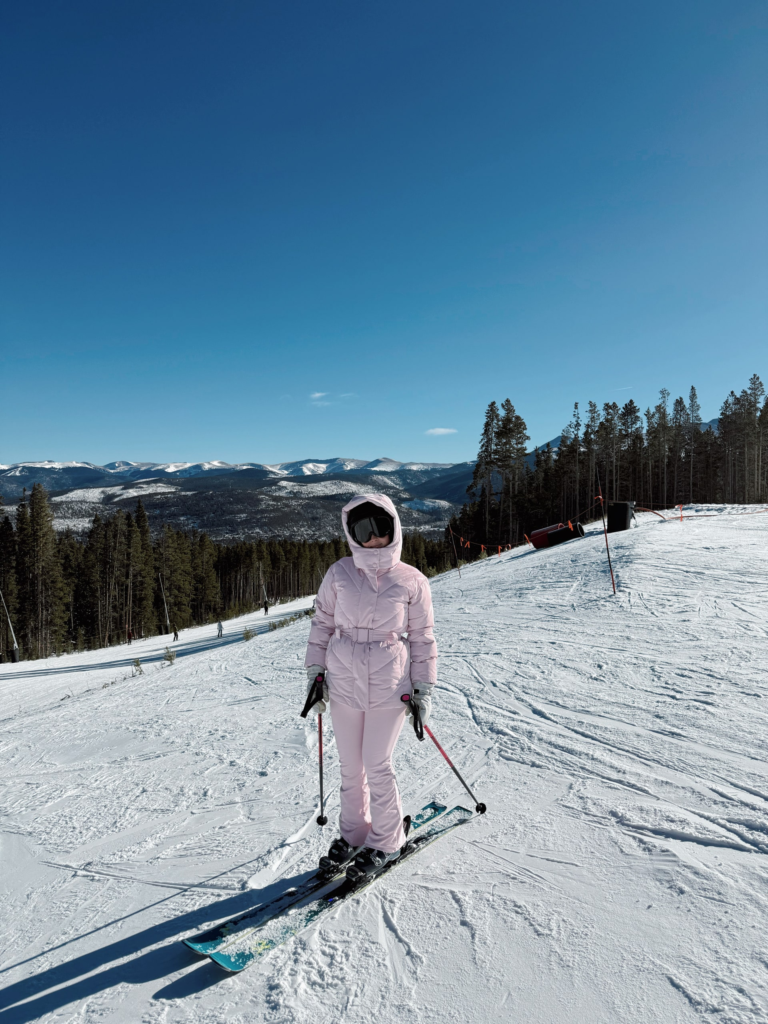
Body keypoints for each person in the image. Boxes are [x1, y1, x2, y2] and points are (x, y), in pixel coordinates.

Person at [304, 494, 436, 881]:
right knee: (350, 766)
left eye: (381, 528)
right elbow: (322, 625)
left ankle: (387, 839)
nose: (374, 538)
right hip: (343, 682)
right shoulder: (339, 573)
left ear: (394, 528)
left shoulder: (411, 580)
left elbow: (423, 639)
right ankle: (354, 833)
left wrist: (423, 689)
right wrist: (315, 674)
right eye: (364, 530)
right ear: (352, 533)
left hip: (389, 686)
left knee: (376, 762)